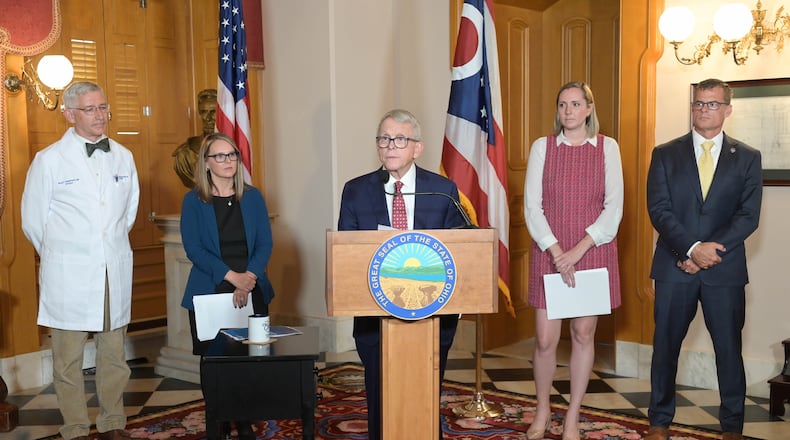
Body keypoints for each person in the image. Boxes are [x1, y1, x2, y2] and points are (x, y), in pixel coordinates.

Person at [21, 81, 140, 440]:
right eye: (90, 109)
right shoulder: (48, 160)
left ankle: (112, 422)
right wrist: (67, 255)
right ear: (70, 114)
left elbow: (127, 214)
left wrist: (103, 249)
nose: (100, 115)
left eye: (103, 107)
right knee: (68, 360)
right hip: (69, 276)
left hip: (112, 270)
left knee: (114, 355)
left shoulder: (123, 156)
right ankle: (75, 428)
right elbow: (32, 222)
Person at [645, 78, 762, 440]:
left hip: (724, 271)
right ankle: (659, 422)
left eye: (712, 104)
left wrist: (707, 252)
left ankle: (732, 427)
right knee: (665, 349)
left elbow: (748, 216)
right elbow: (659, 210)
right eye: (698, 103)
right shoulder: (665, 153)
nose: (703, 109)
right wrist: (691, 249)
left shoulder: (748, 157)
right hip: (674, 267)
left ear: (728, 109)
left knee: (728, 350)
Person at [337, 109, 464, 439]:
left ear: (417, 148)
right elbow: (347, 254)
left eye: (399, 139)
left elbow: (461, 249)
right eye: (384, 139)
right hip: (375, 315)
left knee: (425, 395)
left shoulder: (442, 190)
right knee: (381, 398)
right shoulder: (356, 190)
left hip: (431, 314)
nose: (390, 146)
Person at [523, 81, 623, 440]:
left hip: (592, 252)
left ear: (589, 109)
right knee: (545, 340)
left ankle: (572, 416)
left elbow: (613, 208)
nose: (568, 111)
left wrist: (577, 251)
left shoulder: (607, 147)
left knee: (582, 334)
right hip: (549, 252)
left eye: (576, 104)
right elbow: (532, 207)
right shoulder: (542, 147)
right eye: (563, 104)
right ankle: (543, 409)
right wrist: (556, 252)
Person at [180, 132, 274, 440]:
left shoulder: (253, 197)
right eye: (219, 156)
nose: (228, 161)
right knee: (215, 361)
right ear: (206, 163)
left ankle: (244, 420)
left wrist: (248, 279)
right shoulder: (194, 201)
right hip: (210, 290)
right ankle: (218, 419)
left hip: (252, 287)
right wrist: (233, 277)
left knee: (248, 360)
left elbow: (265, 243)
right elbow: (194, 249)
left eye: (232, 154)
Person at [173, 89, 218, 188]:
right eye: (203, 112)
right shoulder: (185, 154)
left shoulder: (236, 149)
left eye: (213, 112)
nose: (207, 118)